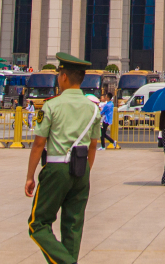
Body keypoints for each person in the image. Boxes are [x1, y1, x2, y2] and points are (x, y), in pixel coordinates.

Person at [25, 53, 101, 264]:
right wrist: (86, 171)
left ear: (64, 77)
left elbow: (39, 145)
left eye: (59, 74)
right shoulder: (93, 108)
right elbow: (93, 145)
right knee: (73, 226)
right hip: (82, 169)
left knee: (37, 224)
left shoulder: (52, 106)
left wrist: (30, 176)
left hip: (57, 167)